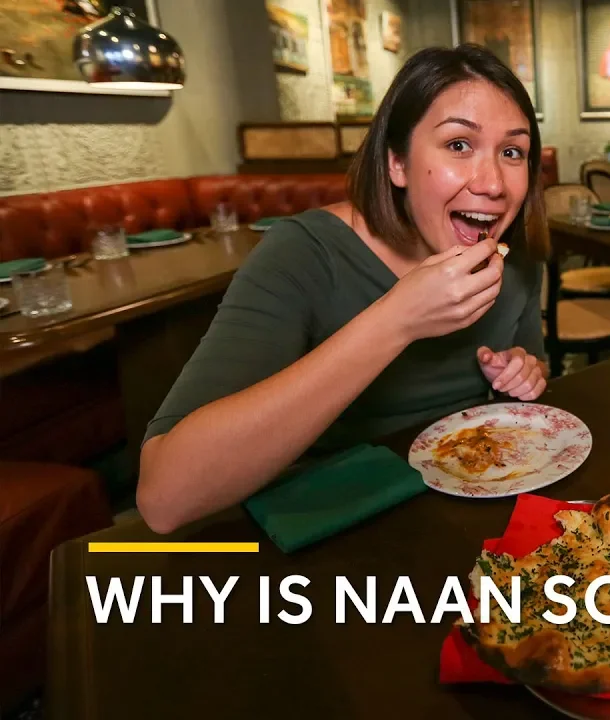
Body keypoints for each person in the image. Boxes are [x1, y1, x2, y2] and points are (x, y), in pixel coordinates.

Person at [137, 45, 549, 534]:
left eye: (512, 152)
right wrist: (396, 320)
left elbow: (535, 370)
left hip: (478, 508)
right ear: (397, 162)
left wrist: (524, 371)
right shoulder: (303, 252)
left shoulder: (516, 255)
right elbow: (164, 498)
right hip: (339, 530)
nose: (494, 184)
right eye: (459, 145)